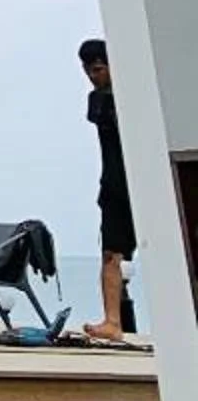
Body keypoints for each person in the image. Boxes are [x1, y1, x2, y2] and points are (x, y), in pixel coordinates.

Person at [82, 38, 137, 342]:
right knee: (110, 255)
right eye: (89, 71)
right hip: (114, 187)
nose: (93, 76)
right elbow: (101, 114)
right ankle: (113, 322)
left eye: (99, 69)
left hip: (141, 184)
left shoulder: (135, 94)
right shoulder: (98, 100)